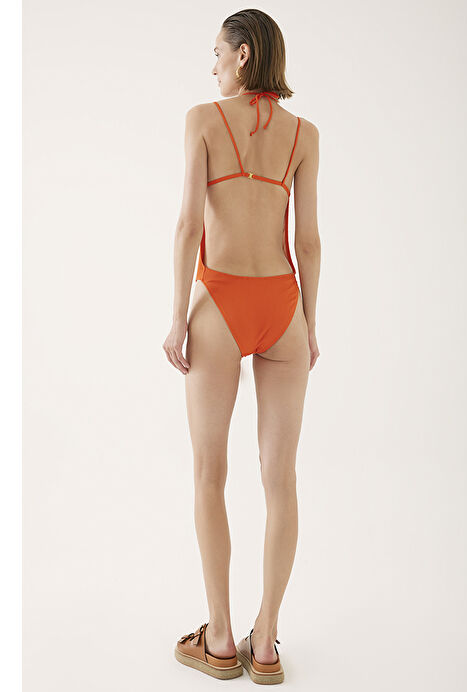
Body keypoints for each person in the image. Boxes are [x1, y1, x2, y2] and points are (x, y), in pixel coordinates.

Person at [163, 9, 320, 683]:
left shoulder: (202, 119)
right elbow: (307, 240)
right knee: (280, 479)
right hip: (283, 306)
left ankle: (222, 639)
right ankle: (268, 644)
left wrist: (177, 318)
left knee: (209, 473)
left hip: (221, 304)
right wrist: (309, 323)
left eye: (218, 54)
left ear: (244, 55)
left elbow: (185, 225)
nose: (213, 68)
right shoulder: (304, 134)